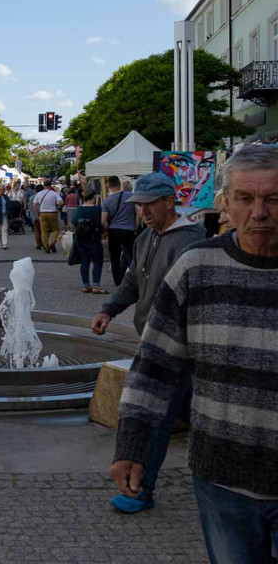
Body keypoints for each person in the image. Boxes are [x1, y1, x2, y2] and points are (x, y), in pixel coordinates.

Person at [112, 146, 278, 558]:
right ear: (226, 203)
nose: (259, 212)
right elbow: (153, 365)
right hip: (222, 477)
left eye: (273, 199)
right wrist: (131, 446)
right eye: (245, 198)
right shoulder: (197, 265)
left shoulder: (184, 242)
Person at [92, 171, 204, 514]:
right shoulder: (145, 238)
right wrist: (108, 310)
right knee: (193, 410)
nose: (142, 212)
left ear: (169, 202)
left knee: (156, 418)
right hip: (152, 339)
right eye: (138, 206)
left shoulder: (191, 242)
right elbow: (131, 283)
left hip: (180, 346)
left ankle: (141, 489)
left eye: (148, 205)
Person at [101, 176, 136, 287]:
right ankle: (136, 280)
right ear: (119, 183)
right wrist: (135, 226)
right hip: (129, 230)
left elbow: (103, 220)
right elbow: (139, 213)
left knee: (114, 258)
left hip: (114, 231)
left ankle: (118, 283)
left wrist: (108, 229)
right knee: (131, 255)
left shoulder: (107, 200)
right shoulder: (131, 196)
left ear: (109, 186)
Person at [73, 189, 107, 294]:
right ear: (93, 197)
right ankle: (95, 285)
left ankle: (86, 285)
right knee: (97, 261)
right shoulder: (98, 209)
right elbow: (101, 222)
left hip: (81, 239)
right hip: (94, 239)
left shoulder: (79, 209)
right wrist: (104, 231)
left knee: (84, 261)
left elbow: (74, 222)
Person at [33, 180, 64, 253]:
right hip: (53, 213)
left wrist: (38, 211)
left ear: (44, 185)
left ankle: (46, 246)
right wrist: (56, 204)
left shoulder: (39, 194)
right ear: (50, 186)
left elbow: (34, 204)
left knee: (44, 231)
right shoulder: (54, 193)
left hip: (42, 213)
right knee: (55, 230)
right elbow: (61, 202)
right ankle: (52, 243)